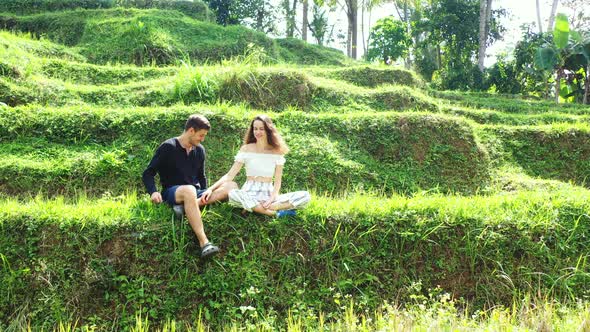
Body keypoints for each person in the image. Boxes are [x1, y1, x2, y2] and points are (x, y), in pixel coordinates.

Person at [142, 114, 237, 258]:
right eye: (201, 135)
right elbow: (148, 173)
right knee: (189, 190)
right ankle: (204, 243)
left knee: (231, 185)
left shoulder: (199, 150)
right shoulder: (168, 147)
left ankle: (188, 207)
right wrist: (153, 192)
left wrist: (206, 191)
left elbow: (201, 176)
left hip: (195, 192)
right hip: (173, 192)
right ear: (191, 131)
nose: (202, 139)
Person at [204, 115, 310, 217]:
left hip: (268, 193)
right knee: (233, 194)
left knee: (305, 196)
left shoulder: (276, 151)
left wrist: (271, 198)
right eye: (255, 129)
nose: (257, 132)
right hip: (249, 192)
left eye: (261, 129)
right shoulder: (246, 149)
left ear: (268, 130)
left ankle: (258, 207)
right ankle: (274, 213)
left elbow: (277, 181)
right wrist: (210, 189)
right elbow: (229, 175)